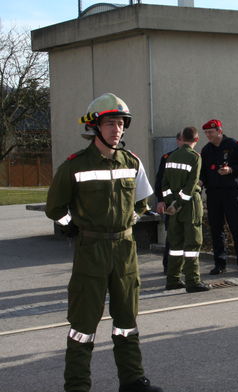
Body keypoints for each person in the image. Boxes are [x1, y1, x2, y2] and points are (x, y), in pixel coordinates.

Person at [45, 93, 162, 391]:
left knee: (126, 322)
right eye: (110, 123)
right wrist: (72, 228)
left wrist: (131, 220)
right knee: (84, 326)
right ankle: (77, 386)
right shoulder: (73, 166)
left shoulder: (132, 162)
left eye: (121, 123)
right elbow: (55, 209)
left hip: (125, 252)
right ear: (95, 126)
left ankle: (133, 380)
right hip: (91, 252)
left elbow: (141, 202)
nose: (117, 129)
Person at [200, 119, 238, 277]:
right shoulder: (206, 150)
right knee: (216, 230)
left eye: (211, 132)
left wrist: (231, 170)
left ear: (219, 131)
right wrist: (201, 181)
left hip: (231, 192)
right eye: (206, 133)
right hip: (214, 194)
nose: (208, 135)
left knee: (237, 229)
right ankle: (220, 264)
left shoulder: (233, 145)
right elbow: (203, 171)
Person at [161, 126, 211, 292]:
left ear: (181, 138)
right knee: (192, 244)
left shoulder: (170, 156)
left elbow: (164, 184)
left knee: (175, 244)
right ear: (196, 140)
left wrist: (170, 203)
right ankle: (193, 281)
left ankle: (173, 279)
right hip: (189, 207)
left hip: (174, 209)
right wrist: (179, 203)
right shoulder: (195, 157)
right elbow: (191, 185)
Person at [154, 132, 183, 274]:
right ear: (177, 141)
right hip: (171, 203)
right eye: (182, 140)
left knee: (187, 236)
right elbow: (159, 181)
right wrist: (160, 200)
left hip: (187, 204)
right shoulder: (167, 157)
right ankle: (168, 266)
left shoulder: (195, 158)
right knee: (171, 235)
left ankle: (182, 266)